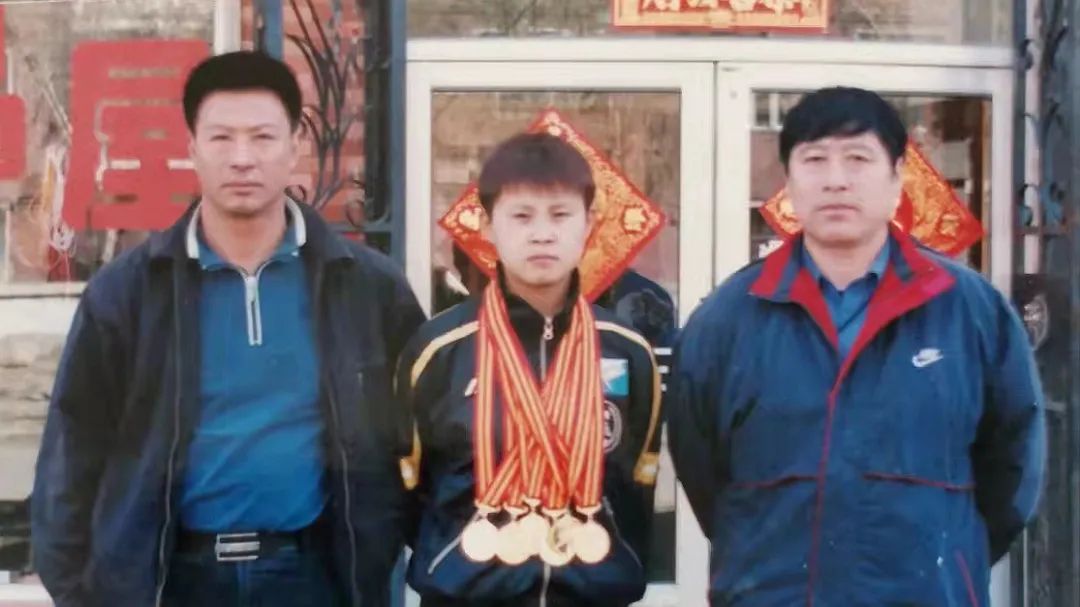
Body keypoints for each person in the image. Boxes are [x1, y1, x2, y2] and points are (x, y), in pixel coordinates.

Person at [31, 51, 424, 607]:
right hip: (171, 580)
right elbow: (73, 451)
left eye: (262, 137)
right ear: (192, 148)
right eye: (221, 138)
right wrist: (80, 592)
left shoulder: (366, 287)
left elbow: (421, 439)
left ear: (295, 145)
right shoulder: (127, 293)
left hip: (317, 578)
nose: (242, 159)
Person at [668, 86, 1045, 606]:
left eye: (858, 158)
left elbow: (1012, 471)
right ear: (789, 182)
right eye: (814, 160)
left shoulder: (970, 310)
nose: (836, 179)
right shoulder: (728, 318)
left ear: (897, 177)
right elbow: (702, 470)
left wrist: (954, 559)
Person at [396, 133, 662, 606]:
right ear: (487, 225)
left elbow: (636, 487)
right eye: (522, 216)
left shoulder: (628, 350)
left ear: (588, 224)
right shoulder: (438, 350)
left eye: (560, 215)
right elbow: (407, 488)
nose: (542, 234)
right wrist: (456, 563)